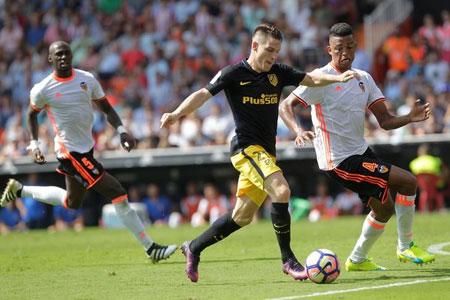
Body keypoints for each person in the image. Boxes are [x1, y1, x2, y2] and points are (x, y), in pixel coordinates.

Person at [160, 23, 356, 282]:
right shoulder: (233, 73)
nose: (274, 56)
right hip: (246, 148)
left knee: (241, 217)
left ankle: (193, 247)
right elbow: (202, 94)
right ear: (255, 46)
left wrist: (337, 78)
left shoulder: (279, 72)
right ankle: (288, 259)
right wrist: (176, 113)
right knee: (282, 190)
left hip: (266, 153)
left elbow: (312, 79)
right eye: (270, 50)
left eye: (277, 51)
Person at [0, 41, 176, 262]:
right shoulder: (43, 88)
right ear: (50, 59)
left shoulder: (87, 79)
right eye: (58, 55)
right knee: (117, 191)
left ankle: (20, 190)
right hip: (70, 152)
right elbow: (31, 115)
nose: (63, 58)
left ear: (72, 56)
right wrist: (34, 144)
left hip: (86, 148)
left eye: (66, 53)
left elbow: (106, 108)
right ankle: (151, 248)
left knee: (72, 202)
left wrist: (121, 131)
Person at [280, 23, 436, 271]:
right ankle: (406, 247)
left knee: (384, 209)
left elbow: (384, 121)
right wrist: (298, 131)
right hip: (339, 160)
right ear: (328, 50)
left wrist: (409, 117)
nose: (346, 53)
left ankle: (357, 259)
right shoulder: (319, 79)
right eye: (339, 48)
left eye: (350, 47)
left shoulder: (364, 78)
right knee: (407, 181)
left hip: (360, 152)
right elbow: (285, 106)